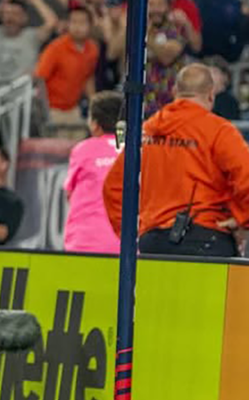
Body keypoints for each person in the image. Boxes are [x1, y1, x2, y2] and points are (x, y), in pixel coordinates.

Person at [103, 64, 249, 258]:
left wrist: (130, 232)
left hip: (152, 241)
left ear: (174, 91)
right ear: (211, 94)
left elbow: (113, 186)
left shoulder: (147, 131)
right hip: (207, 237)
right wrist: (242, 219)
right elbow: (245, 176)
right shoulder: (219, 130)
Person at [63, 91, 122, 254]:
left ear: (94, 124)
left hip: (83, 242)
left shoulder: (83, 149)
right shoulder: (136, 151)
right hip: (126, 246)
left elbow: (69, 193)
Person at [35, 4, 99, 140]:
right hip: (53, 110)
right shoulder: (55, 48)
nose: (77, 26)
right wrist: (46, 112)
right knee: (58, 152)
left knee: (77, 145)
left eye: (82, 22)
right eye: (73, 22)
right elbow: (39, 78)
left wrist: (94, 104)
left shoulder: (92, 50)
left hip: (73, 108)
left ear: (90, 25)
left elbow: (88, 78)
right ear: (67, 24)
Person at [0, 0, 59, 93]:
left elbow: (52, 22)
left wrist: (34, 1)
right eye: (6, 13)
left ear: (24, 18)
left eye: (15, 14)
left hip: (22, 97)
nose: (10, 18)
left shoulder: (32, 37)